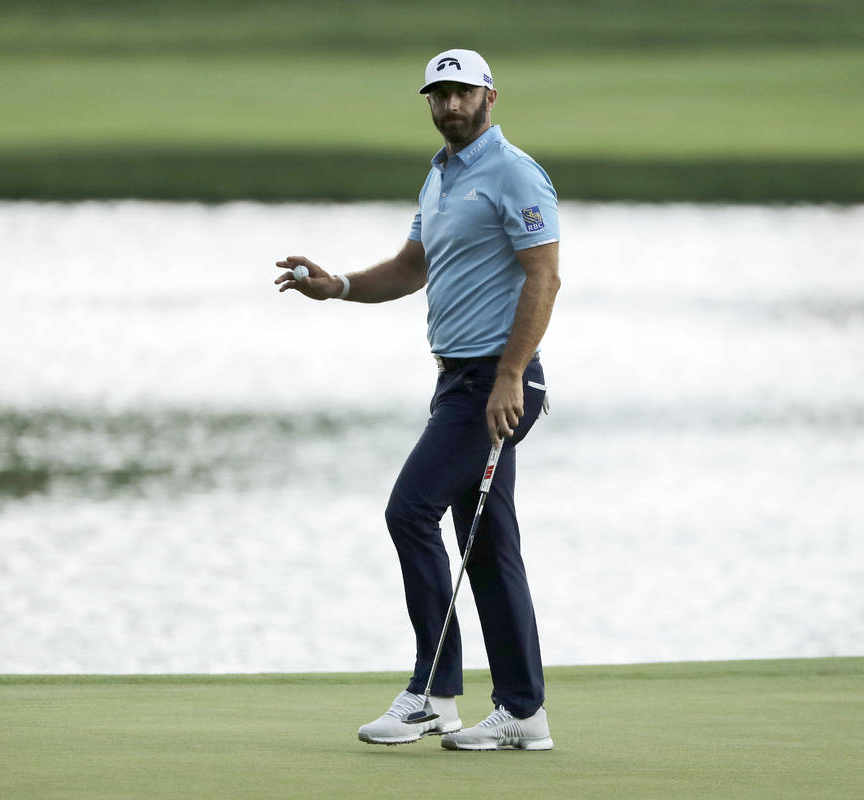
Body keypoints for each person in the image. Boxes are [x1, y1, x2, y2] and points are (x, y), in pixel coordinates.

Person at [274, 48, 560, 751]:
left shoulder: (515, 172)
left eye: (463, 94)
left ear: (491, 98)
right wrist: (336, 285)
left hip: (494, 383)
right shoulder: (438, 176)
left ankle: (434, 693)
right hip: (456, 381)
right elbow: (410, 268)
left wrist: (508, 377)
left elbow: (544, 279)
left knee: (410, 510)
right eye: (439, 96)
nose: (451, 106)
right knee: (488, 546)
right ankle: (523, 711)